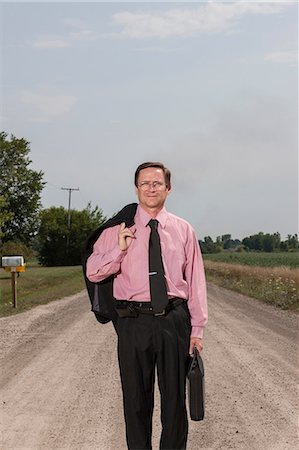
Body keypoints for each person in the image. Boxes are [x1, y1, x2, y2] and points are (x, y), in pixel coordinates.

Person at [85, 162, 208, 450]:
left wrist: (197, 329)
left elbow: (196, 281)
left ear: (168, 188)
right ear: (136, 188)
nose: (151, 188)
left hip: (174, 322)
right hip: (133, 322)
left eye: (157, 183)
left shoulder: (184, 230)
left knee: (174, 403)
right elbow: (94, 272)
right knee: (136, 402)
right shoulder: (117, 230)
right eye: (145, 183)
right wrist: (119, 248)